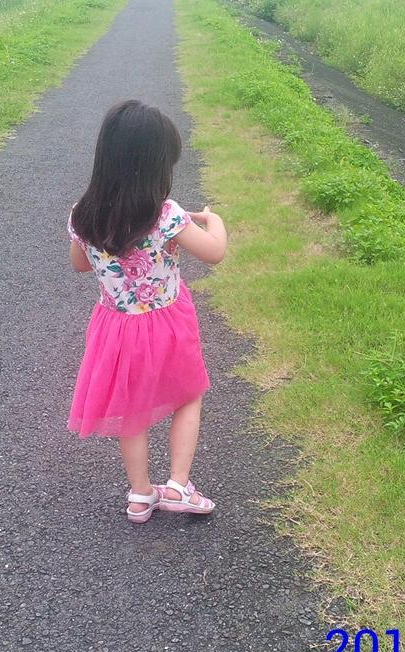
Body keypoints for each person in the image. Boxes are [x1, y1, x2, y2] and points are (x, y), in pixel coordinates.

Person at [67, 100, 229, 524]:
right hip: (168, 323)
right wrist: (213, 220)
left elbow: (80, 264)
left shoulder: (83, 214)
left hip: (116, 327)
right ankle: (178, 485)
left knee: (132, 411)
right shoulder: (166, 215)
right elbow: (214, 252)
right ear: (157, 167)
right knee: (188, 395)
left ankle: (140, 494)